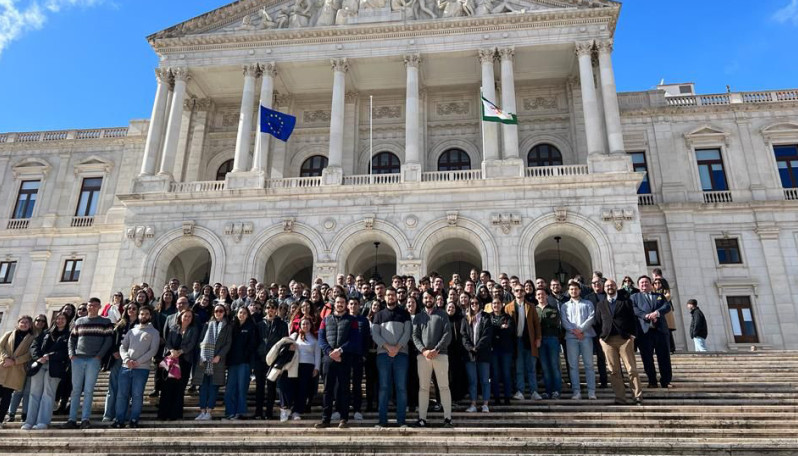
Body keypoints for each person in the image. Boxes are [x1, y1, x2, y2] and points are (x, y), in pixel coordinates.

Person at [62, 298, 113, 429]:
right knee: (76, 390)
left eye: (95, 305)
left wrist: (99, 356)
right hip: (77, 359)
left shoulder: (105, 322)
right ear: (87, 307)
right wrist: (71, 354)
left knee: (89, 390)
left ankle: (85, 419)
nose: (92, 307)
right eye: (90, 305)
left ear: (100, 307)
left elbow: (108, 341)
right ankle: (72, 419)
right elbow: (72, 339)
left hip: (93, 360)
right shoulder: (79, 321)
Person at [594, 279, 642, 405]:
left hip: (624, 339)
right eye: (607, 286)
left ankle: (637, 397)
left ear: (616, 287)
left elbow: (633, 319)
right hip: (607, 341)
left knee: (631, 369)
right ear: (604, 289)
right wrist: (601, 338)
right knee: (614, 371)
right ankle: (620, 398)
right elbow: (597, 323)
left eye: (612, 285)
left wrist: (632, 335)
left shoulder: (625, 302)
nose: (610, 287)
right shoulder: (600, 304)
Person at [370, 287, 412, 428]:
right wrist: (388, 347)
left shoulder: (404, 313)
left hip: (401, 355)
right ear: (385, 297)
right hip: (383, 355)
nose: (391, 297)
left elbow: (407, 333)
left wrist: (397, 347)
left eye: (393, 295)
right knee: (384, 387)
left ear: (396, 296)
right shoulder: (379, 315)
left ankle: (402, 421)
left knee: (401, 388)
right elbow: (375, 334)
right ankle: (382, 420)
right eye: (388, 295)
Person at [316, 295, 360, 429]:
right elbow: (321, 338)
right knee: (328, 389)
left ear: (346, 304)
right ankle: (326, 419)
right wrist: (330, 352)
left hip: (344, 358)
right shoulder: (326, 319)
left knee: (344, 389)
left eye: (342, 302)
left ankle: (344, 418)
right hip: (329, 358)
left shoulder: (352, 320)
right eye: (338, 302)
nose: (340, 304)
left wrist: (340, 351)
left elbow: (354, 339)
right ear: (334, 304)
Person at [412, 291, 453, 428]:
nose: (428, 299)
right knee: (423, 388)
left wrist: (436, 349)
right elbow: (415, 336)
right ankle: (422, 419)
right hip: (423, 356)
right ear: (422, 299)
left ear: (434, 299)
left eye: (430, 297)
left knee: (444, 387)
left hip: (440, 355)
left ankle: (447, 418)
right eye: (425, 297)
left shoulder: (442, 315)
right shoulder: (418, 317)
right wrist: (424, 350)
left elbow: (447, 334)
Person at [113, 306, 160, 428]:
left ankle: (134, 419)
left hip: (142, 368)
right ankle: (119, 420)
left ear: (150, 316)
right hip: (125, 366)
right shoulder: (131, 331)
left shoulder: (154, 332)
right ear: (138, 316)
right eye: (141, 314)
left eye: (146, 314)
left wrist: (138, 362)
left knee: (137, 395)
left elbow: (153, 350)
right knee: (122, 394)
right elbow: (123, 347)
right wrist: (127, 359)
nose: (143, 316)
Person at [22, 313, 69, 430]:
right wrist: (38, 357)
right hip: (40, 364)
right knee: (34, 393)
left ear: (67, 321)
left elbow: (66, 352)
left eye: (63, 319)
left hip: (55, 366)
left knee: (48, 394)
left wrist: (50, 356)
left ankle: (43, 421)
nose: (60, 321)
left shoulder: (69, 335)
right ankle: (30, 421)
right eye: (58, 318)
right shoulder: (46, 332)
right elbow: (34, 345)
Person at [631, 276, 673, 388]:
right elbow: (634, 309)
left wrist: (657, 313)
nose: (644, 284)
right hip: (645, 332)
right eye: (641, 283)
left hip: (660, 331)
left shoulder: (659, 296)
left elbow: (667, 306)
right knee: (647, 358)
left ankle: (666, 381)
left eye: (646, 282)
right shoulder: (634, 297)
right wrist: (645, 316)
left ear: (650, 284)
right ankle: (652, 381)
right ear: (638, 285)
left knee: (664, 357)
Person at [192, 304, 232, 421]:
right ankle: (202, 411)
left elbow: (228, 343)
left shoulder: (228, 326)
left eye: (221, 311)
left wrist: (219, 355)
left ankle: (209, 411)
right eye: (216, 311)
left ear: (224, 312)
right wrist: (202, 355)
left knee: (213, 386)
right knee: (203, 386)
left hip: (218, 360)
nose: (218, 313)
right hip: (204, 359)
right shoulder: (207, 324)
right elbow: (201, 340)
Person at [102, 302, 139, 423]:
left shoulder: (140, 325)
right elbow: (112, 340)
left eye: (134, 309)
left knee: (127, 388)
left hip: (132, 359)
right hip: (118, 358)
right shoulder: (120, 325)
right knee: (113, 387)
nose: (132, 311)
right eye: (129, 308)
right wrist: (114, 351)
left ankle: (122, 414)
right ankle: (108, 414)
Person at [158, 309, 198, 420]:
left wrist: (179, 352)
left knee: (179, 389)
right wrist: (172, 351)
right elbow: (168, 341)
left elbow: (192, 344)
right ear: (180, 317)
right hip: (171, 360)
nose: (187, 318)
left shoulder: (193, 330)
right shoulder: (174, 328)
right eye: (185, 316)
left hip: (184, 361)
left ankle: (175, 414)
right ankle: (163, 414)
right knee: (167, 388)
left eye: (190, 316)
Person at [505, 284, 542, 401]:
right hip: (516, 341)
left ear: (524, 292)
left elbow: (537, 324)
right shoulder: (508, 307)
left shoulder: (531, 306)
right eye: (517, 290)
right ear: (513, 292)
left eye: (521, 290)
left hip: (529, 340)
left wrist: (538, 338)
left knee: (531, 368)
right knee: (519, 368)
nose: (519, 292)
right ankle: (520, 391)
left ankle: (534, 391)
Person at [560, 281, 596, 400]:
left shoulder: (588, 303)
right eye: (571, 289)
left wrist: (580, 330)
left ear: (579, 290)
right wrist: (574, 331)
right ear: (568, 291)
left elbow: (591, 318)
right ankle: (576, 391)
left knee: (589, 365)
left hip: (586, 336)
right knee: (573, 366)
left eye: (575, 289)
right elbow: (564, 321)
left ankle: (591, 391)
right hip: (571, 338)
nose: (573, 291)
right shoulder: (564, 306)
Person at [255, 300, 288, 420]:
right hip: (260, 359)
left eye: (273, 308)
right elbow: (256, 341)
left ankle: (269, 412)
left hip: (274, 360)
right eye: (268, 307)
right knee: (259, 387)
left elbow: (284, 343)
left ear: (277, 309)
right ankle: (258, 411)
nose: (271, 310)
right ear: (265, 309)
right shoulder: (259, 324)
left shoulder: (282, 324)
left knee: (271, 387)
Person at [224, 307, 258, 420]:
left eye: (244, 313)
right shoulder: (232, 326)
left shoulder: (251, 327)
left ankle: (240, 411)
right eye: (240, 313)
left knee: (241, 388)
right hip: (232, 363)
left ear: (247, 315)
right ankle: (230, 412)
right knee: (230, 389)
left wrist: (247, 357)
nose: (242, 315)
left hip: (244, 363)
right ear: (237, 314)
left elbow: (252, 345)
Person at [461, 296, 493, 413]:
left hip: (483, 354)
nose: (474, 305)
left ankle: (485, 404)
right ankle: (473, 404)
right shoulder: (466, 318)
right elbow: (463, 335)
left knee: (485, 380)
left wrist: (477, 347)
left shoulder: (486, 317)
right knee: (472, 381)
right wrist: (470, 348)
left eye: (476, 303)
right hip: (470, 355)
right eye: (472, 303)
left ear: (480, 304)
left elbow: (487, 334)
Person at [0, 316, 35, 420]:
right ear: (18, 323)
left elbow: (30, 354)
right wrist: (5, 357)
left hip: (16, 370)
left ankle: (0, 419)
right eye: (22, 322)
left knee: (7, 396)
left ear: (30, 325)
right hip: (3, 366)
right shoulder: (9, 334)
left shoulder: (32, 338)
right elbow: (0, 346)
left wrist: (15, 361)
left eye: (27, 323)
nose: (24, 324)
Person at [290, 318, 320, 420]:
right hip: (295, 365)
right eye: (303, 324)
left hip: (308, 366)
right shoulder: (295, 336)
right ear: (300, 325)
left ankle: (297, 410)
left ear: (310, 325)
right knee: (294, 388)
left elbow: (317, 354)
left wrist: (316, 368)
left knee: (303, 389)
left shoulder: (314, 339)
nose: (305, 326)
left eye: (307, 323)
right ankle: (292, 408)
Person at [535, 288, 562, 400]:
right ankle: (548, 390)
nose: (540, 296)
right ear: (536, 297)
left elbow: (553, 322)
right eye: (538, 295)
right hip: (540, 340)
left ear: (546, 296)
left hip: (552, 338)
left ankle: (556, 390)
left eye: (542, 294)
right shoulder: (534, 309)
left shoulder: (553, 309)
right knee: (545, 367)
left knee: (554, 365)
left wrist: (539, 322)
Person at [347, 298, 371, 421]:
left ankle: (357, 409)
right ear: (347, 305)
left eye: (355, 304)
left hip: (358, 356)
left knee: (357, 384)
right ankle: (342, 409)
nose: (353, 306)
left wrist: (364, 354)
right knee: (343, 384)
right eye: (351, 304)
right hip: (345, 356)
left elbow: (367, 339)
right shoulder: (344, 318)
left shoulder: (364, 321)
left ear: (359, 306)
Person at [489, 297, 514, 405]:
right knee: (495, 374)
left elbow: (510, 330)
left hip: (506, 349)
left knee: (506, 373)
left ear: (502, 304)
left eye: (498, 303)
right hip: (493, 349)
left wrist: (498, 329)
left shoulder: (507, 317)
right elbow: (488, 331)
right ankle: (497, 397)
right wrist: (501, 328)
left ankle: (507, 397)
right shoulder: (488, 317)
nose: (496, 305)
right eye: (494, 303)